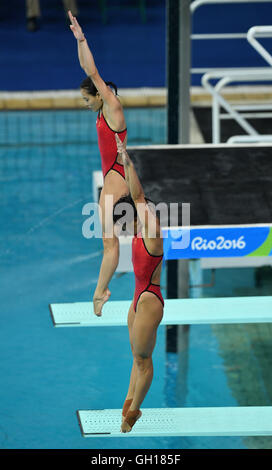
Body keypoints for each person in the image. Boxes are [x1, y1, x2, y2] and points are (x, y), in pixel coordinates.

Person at [69, 11, 129, 316]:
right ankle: (102, 288)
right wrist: (78, 42)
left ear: (99, 95)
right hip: (116, 176)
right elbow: (85, 68)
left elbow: (92, 70)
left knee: (110, 244)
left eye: (86, 99)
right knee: (111, 241)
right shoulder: (103, 109)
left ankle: (101, 291)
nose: (85, 103)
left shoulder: (111, 104)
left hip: (117, 179)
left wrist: (83, 39)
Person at [113, 134, 164, 433]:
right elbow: (134, 198)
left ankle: (135, 411)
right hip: (137, 299)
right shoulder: (136, 232)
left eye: (122, 222)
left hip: (149, 301)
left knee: (144, 359)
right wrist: (122, 164)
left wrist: (128, 162)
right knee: (136, 355)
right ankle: (130, 398)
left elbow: (140, 197)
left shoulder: (152, 233)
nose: (120, 229)